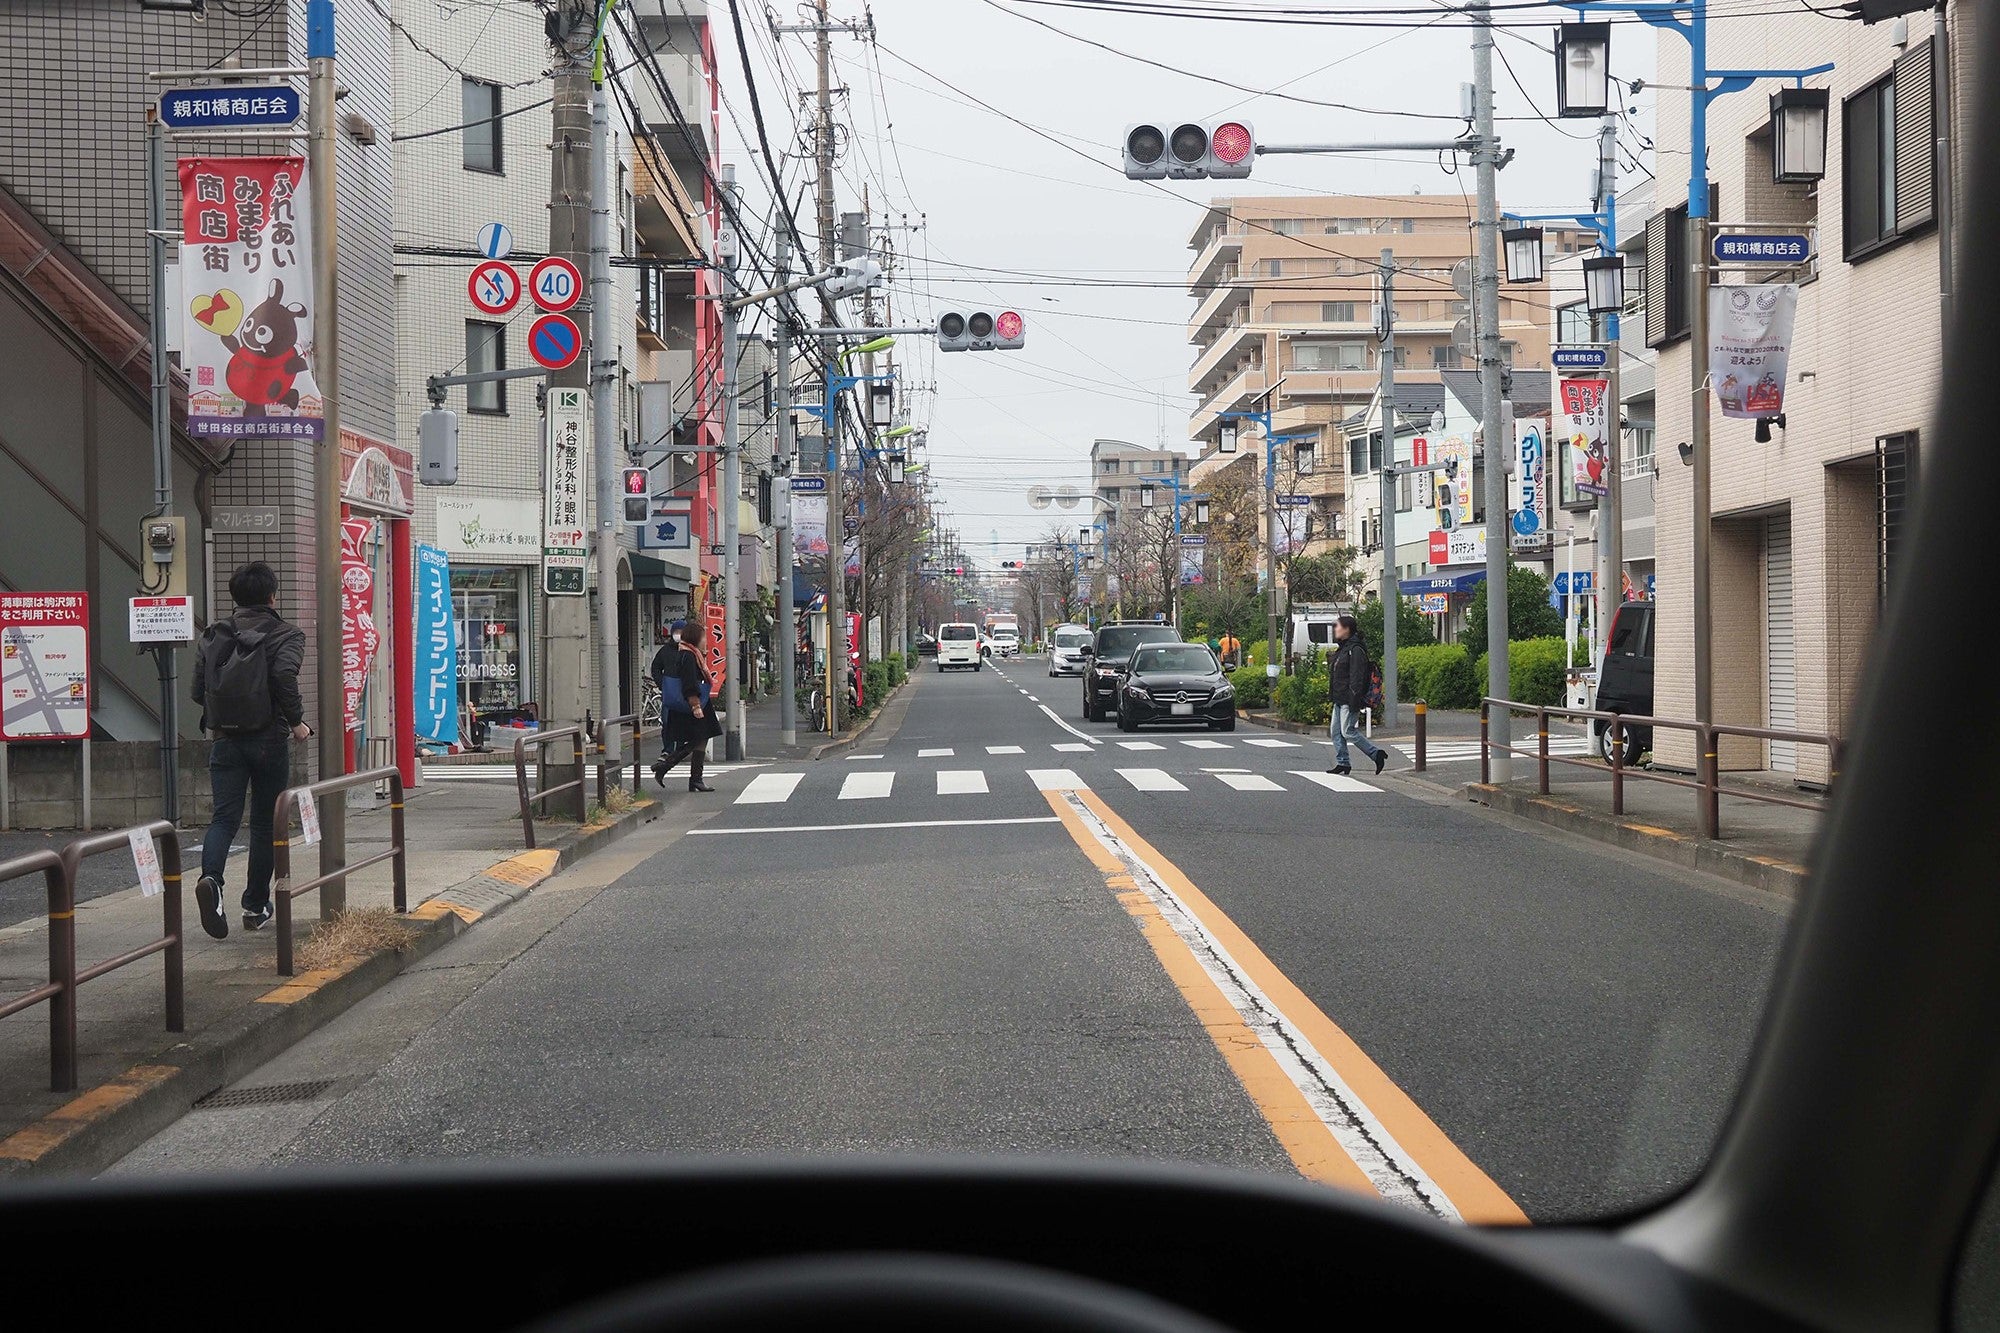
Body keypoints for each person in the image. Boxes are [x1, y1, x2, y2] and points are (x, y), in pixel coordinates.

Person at [191, 561, 310, 938]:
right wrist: (297, 722)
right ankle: (255, 905)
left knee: (223, 819)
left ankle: (211, 879)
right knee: (263, 824)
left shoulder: (214, 634)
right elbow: (283, 676)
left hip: (225, 741)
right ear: (273, 595)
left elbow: (197, 691)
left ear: (235, 597)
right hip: (268, 741)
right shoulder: (286, 635)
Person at [652, 621, 721, 792]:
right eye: (703, 636)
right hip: (692, 703)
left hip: (693, 702)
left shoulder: (690, 653)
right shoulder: (689, 656)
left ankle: (694, 779)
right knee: (698, 737)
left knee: (701, 738)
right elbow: (689, 682)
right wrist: (695, 705)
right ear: (695, 638)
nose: (705, 640)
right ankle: (669, 767)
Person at [1326, 613, 1387, 777]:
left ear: (1347, 629)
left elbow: (1357, 677)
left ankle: (1376, 754)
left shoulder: (1356, 649)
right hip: (1339, 697)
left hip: (1349, 698)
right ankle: (1343, 763)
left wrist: (1354, 700)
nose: (1335, 629)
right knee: (1336, 732)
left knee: (1347, 731)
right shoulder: (1343, 648)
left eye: (1337, 626)